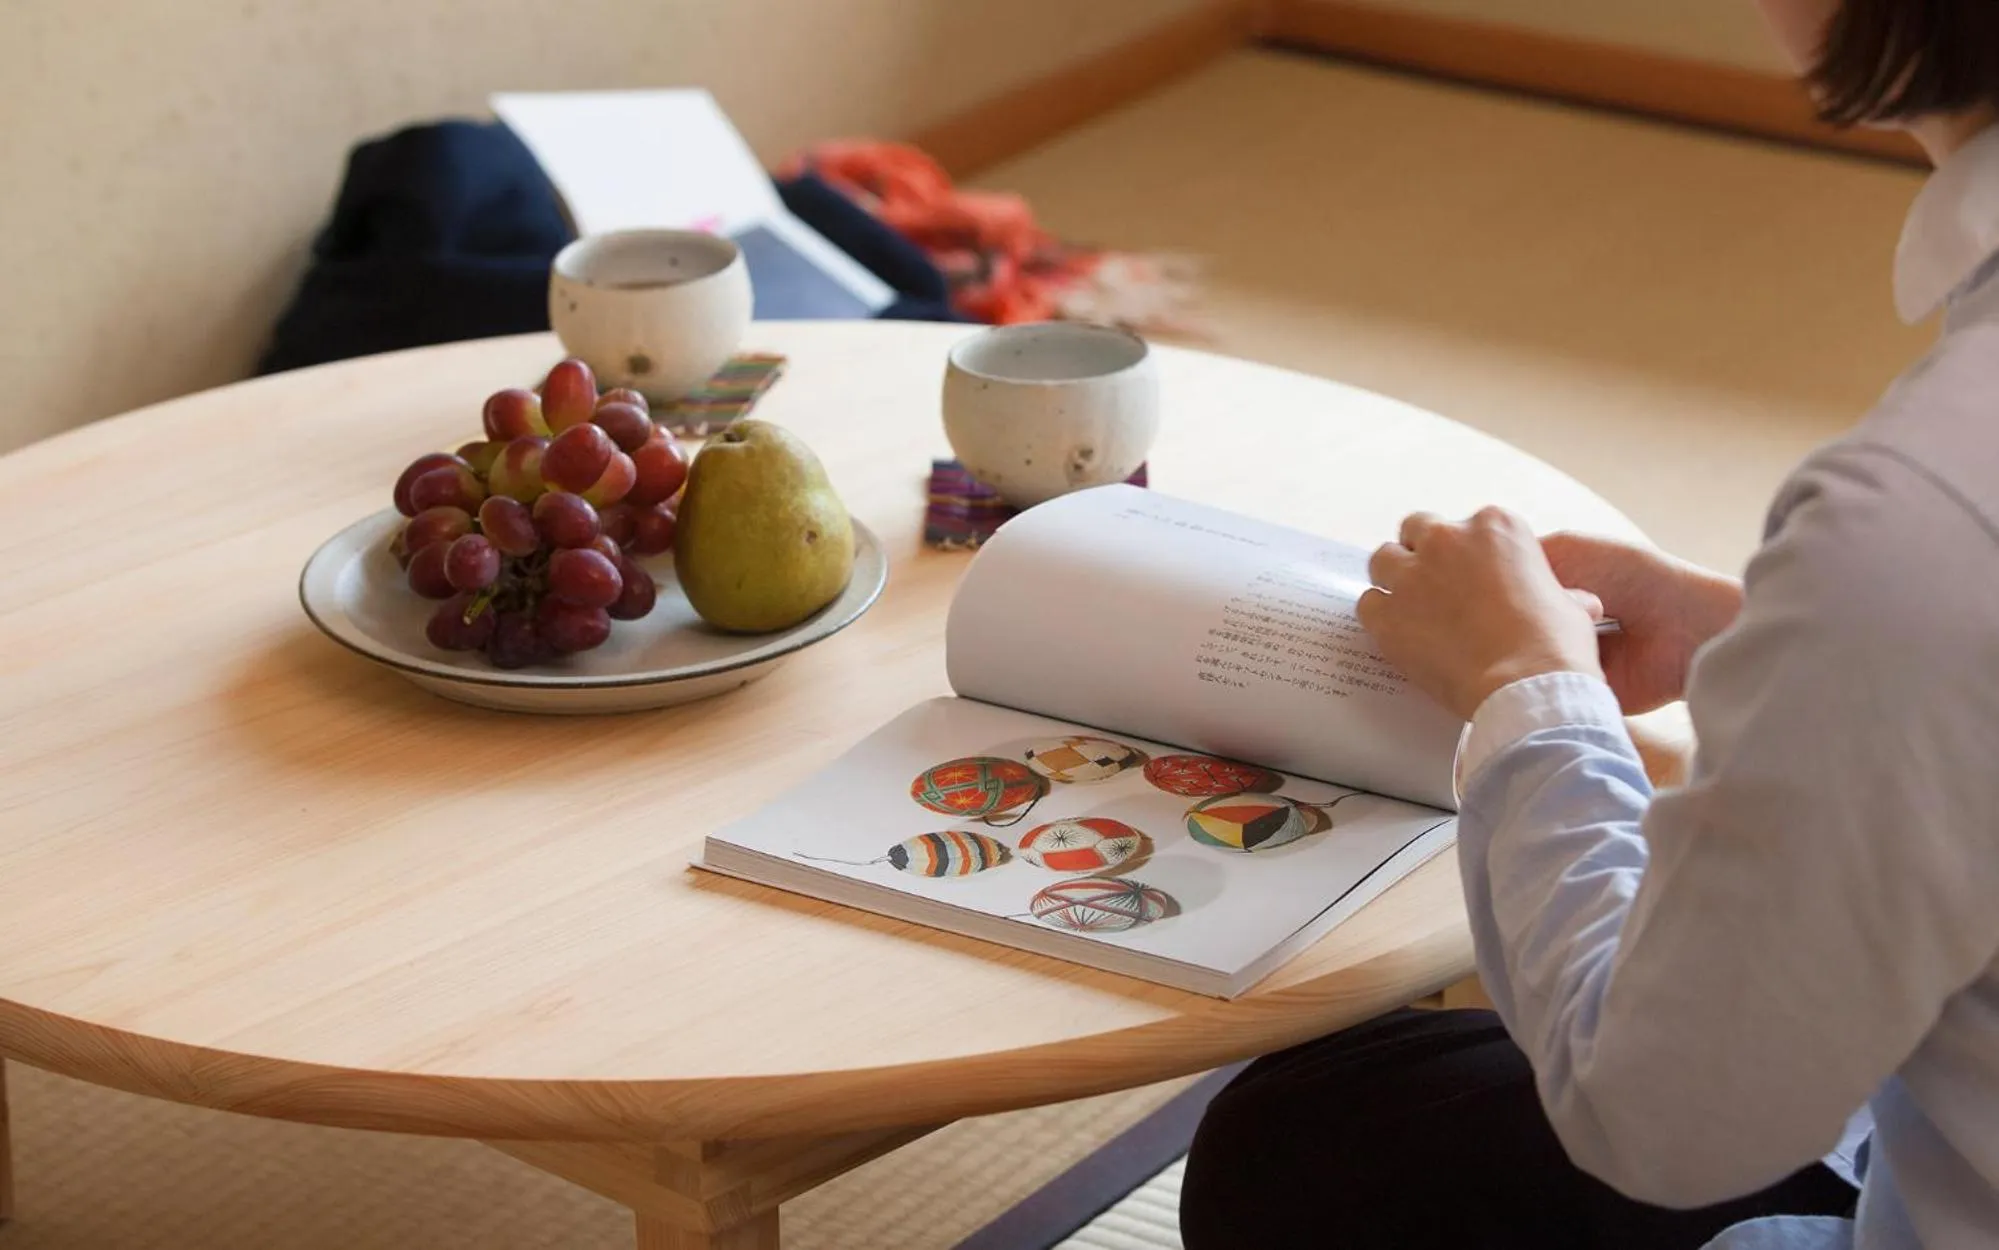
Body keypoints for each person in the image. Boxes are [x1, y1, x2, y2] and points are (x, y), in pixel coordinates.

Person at [1179, 2, 1999, 1247]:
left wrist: (1526, 688)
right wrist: (1755, 637)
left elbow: (1666, 1121)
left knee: (1290, 1161)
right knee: (1334, 1123)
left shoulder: (1916, 515)